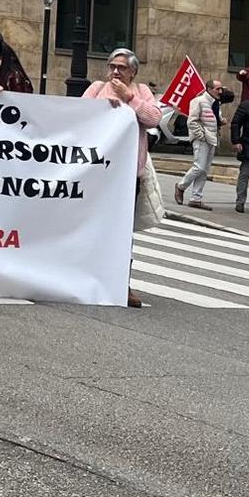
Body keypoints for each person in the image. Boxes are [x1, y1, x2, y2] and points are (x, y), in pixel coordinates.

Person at [81, 47, 160, 309]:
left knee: (122, 231)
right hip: (96, 173)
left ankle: (120, 283)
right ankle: (82, 277)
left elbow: (154, 119)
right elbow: (76, 117)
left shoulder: (141, 92)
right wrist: (103, 107)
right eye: (112, 66)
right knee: (89, 225)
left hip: (126, 177)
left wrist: (130, 100)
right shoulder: (96, 89)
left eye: (122, 67)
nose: (115, 71)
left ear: (133, 71)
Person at [173, 77, 227, 209]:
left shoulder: (216, 103)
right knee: (199, 167)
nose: (220, 91)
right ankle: (181, 186)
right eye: (217, 89)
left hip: (212, 138)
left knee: (204, 170)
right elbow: (192, 121)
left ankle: (196, 198)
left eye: (221, 88)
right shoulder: (198, 101)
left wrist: (221, 121)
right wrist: (200, 136)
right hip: (202, 139)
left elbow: (214, 118)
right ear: (209, 89)